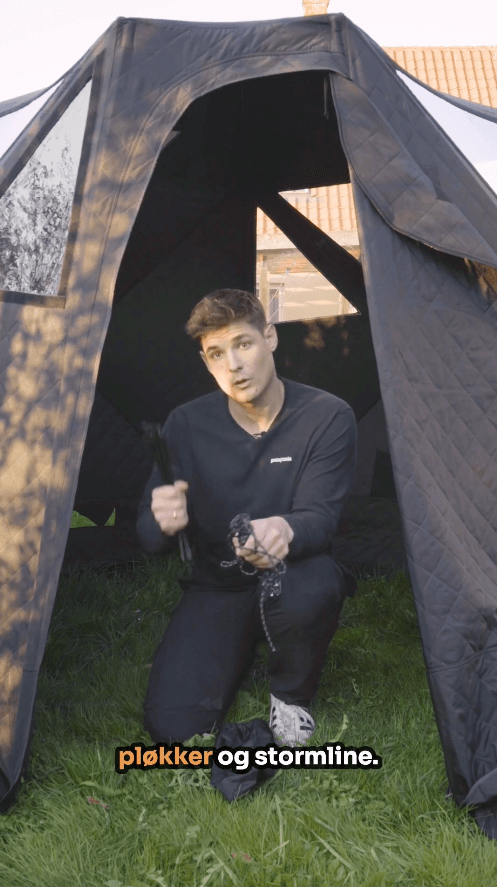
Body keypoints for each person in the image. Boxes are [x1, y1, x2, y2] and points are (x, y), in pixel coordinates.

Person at [137, 288, 357, 748]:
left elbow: (321, 518)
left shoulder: (326, 416)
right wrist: (162, 520)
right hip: (218, 584)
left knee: (315, 581)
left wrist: (284, 528)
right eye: (217, 353)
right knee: (173, 729)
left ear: (270, 338)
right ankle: (237, 645)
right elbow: (149, 539)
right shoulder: (186, 424)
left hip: (293, 575)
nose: (233, 365)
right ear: (206, 362)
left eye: (243, 344)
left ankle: (291, 695)